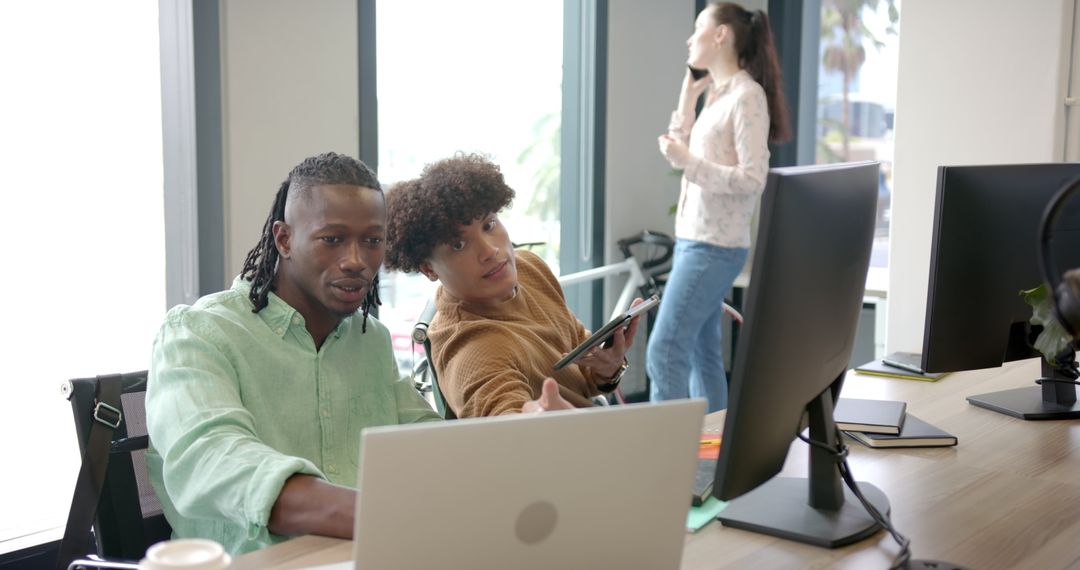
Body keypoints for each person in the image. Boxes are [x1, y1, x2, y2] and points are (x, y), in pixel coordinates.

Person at [144, 152, 567, 554]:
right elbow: (215, 462)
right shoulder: (198, 336)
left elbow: (431, 444)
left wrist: (522, 433)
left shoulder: (369, 340)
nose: (356, 261)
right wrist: (390, 515)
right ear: (284, 238)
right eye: (333, 239)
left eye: (372, 241)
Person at [384, 153, 641, 418]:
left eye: (489, 224)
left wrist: (607, 368)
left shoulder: (529, 268)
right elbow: (501, 417)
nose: (490, 250)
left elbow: (580, 367)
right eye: (458, 244)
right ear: (428, 268)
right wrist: (529, 418)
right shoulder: (472, 351)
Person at [649, 1, 791, 412]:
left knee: (664, 351)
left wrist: (688, 162)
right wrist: (687, 95)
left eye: (698, 28)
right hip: (696, 241)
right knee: (701, 353)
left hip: (713, 247)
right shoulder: (717, 95)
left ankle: (669, 462)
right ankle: (716, 462)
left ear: (721, 35)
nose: (690, 38)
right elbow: (679, 146)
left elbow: (752, 178)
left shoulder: (747, 97)